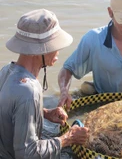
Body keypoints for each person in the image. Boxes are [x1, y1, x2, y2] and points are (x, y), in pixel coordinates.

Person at [0, 9, 89, 159]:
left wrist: (44, 113)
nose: (58, 51)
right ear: (39, 51)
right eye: (54, 46)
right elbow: (27, 154)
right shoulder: (28, 90)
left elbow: (8, 115)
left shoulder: (6, 71)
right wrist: (69, 138)